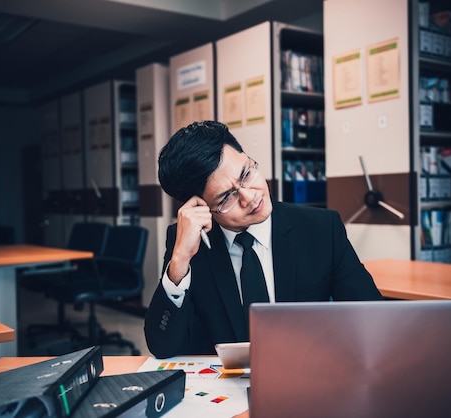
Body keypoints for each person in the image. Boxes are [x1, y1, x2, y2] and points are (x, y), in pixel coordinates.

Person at [144, 121, 382, 359]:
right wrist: (179, 263)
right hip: (226, 388)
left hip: (308, 375)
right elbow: (163, 347)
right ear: (199, 207)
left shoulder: (320, 229)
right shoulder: (187, 243)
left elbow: (374, 321)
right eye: (227, 197)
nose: (250, 196)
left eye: (247, 174)